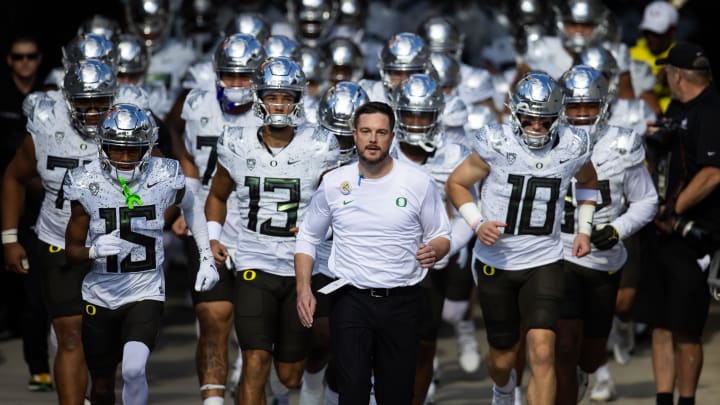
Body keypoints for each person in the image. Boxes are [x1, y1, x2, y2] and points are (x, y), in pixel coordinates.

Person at [446, 71, 598, 405]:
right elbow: (456, 183)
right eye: (529, 117)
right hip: (496, 262)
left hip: (545, 260)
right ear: (515, 112)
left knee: (543, 352)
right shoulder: (496, 142)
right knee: (502, 358)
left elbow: (588, 183)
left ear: (557, 117)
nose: (536, 125)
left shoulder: (573, 146)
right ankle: (502, 390)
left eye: (545, 119)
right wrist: (476, 222)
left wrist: (584, 229)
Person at [295, 101, 451, 405]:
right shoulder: (334, 182)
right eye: (366, 131)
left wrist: (434, 251)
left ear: (393, 136)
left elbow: (441, 235)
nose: (373, 139)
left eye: (381, 132)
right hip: (350, 298)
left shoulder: (418, 182)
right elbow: (308, 237)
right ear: (354, 134)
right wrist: (303, 288)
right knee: (352, 389)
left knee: (395, 394)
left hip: (402, 301)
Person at [63, 103, 219, 405]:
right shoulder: (85, 182)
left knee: (134, 370)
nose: (123, 158)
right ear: (103, 146)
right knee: (103, 385)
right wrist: (92, 250)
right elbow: (71, 252)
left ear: (147, 148)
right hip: (100, 294)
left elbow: (192, 205)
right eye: (116, 149)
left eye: (132, 150)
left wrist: (206, 257)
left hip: (145, 290)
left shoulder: (163, 174)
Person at [204, 56, 339, 405]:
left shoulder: (320, 145)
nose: (279, 104)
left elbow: (338, 206)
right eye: (272, 96)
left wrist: (319, 230)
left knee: (289, 374)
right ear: (258, 97)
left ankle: (288, 391)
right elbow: (218, 194)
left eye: (286, 97)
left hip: (303, 267)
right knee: (255, 359)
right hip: (254, 261)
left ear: (298, 100)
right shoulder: (235, 141)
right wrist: (214, 236)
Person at [2, 58, 117, 405]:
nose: (93, 110)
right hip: (57, 242)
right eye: (84, 101)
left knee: (104, 347)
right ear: (68, 99)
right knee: (70, 334)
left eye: (100, 101)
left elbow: (163, 185)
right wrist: (9, 238)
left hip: (110, 245)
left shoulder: (127, 126)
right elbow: (14, 177)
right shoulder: (46, 128)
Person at [554, 64, 658, 405]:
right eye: (574, 106)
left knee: (591, 352)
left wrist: (617, 229)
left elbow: (647, 200)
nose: (582, 114)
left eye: (590, 106)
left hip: (604, 258)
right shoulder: (546, 140)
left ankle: (587, 372)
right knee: (564, 346)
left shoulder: (622, 143)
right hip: (559, 254)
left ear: (604, 105)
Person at [172, 33, 265, 405]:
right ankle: (213, 401)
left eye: (245, 76)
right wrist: (187, 199)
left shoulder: (275, 106)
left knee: (257, 333)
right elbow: (181, 141)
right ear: (217, 73)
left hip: (260, 224)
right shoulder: (196, 103)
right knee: (213, 320)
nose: (238, 84)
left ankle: (257, 382)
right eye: (230, 75)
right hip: (209, 219)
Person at [388, 74, 475, 405]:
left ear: (437, 116)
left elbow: (471, 210)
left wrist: (447, 245)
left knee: (423, 344)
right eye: (409, 114)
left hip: (428, 263)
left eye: (423, 115)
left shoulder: (455, 154)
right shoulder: (381, 147)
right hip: (381, 260)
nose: (416, 122)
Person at [647, 42, 720, 405]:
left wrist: (672, 210)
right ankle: (664, 399)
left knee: (687, 330)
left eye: (667, 72)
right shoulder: (675, 107)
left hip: (695, 235)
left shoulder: (712, 109)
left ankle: (687, 401)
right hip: (662, 231)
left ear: (677, 75)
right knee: (660, 324)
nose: (665, 78)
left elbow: (712, 174)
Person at [299, 80, 369, 405]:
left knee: (359, 343)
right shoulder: (307, 151)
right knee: (323, 337)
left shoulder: (383, 156)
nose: (343, 143)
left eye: (349, 135)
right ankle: (313, 379)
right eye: (337, 134)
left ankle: (332, 393)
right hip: (324, 259)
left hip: (365, 262)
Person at [0, 32, 52, 392]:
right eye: (18, 57)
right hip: (8, 201)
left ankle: (43, 365)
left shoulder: (51, 103)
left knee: (41, 292)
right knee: (18, 288)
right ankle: (33, 357)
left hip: (46, 207)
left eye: (31, 56)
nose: (25, 63)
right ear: (9, 60)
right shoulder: (1, 99)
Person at [630, 1, 679, 113]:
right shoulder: (629, 55)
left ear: (672, 31)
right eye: (647, 32)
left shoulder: (684, 58)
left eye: (657, 33)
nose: (651, 38)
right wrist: (656, 83)